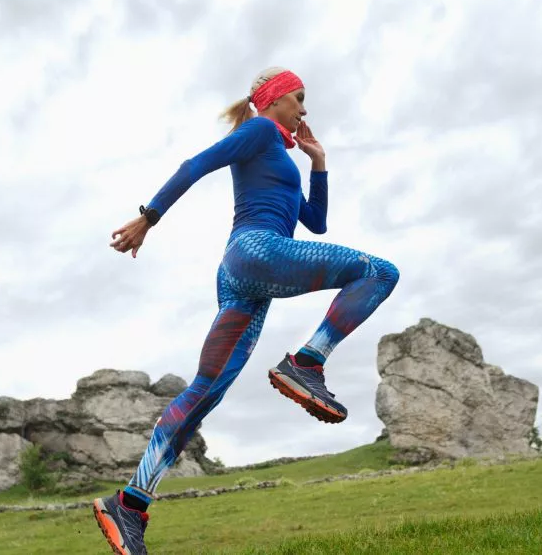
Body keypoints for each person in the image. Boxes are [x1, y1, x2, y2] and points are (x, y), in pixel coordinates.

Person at [92, 66, 400, 555]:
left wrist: (319, 162)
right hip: (256, 251)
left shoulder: (280, 154)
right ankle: (306, 362)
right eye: (299, 98)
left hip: (242, 276)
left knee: (206, 391)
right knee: (379, 273)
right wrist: (148, 218)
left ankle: (129, 503)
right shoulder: (259, 132)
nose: (304, 109)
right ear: (274, 100)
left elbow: (316, 223)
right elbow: (196, 164)